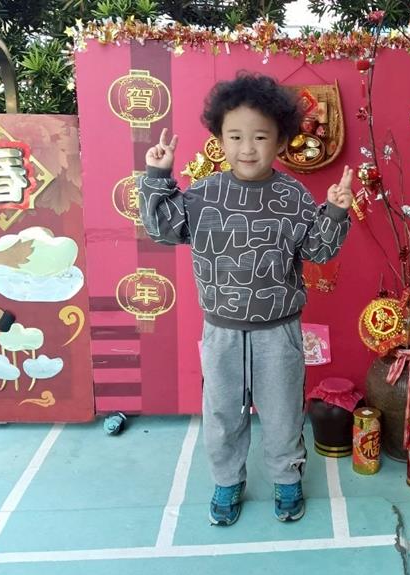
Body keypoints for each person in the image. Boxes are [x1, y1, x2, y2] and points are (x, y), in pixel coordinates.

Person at [138, 72, 353, 526]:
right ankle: (227, 481)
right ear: (219, 140)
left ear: (281, 141)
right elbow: (163, 229)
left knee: (282, 415)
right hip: (221, 333)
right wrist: (158, 176)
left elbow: (318, 249)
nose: (247, 148)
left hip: (279, 333)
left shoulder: (292, 195)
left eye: (260, 136)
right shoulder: (204, 193)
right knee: (221, 416)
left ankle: (287, 479)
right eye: (235, 136)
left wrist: (335, 210)